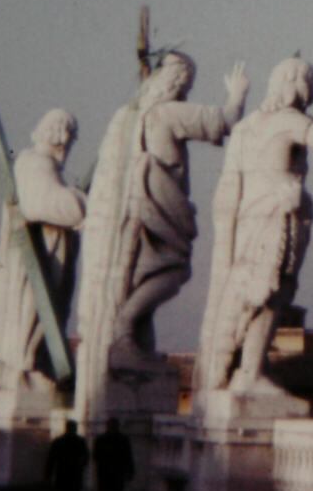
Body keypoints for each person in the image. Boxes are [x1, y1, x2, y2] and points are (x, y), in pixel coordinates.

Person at [76, 51, 248, 417]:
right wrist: (238, 94)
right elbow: (225, 121)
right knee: (174, 268)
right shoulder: (169, 112)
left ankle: (129, 335)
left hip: (126, 212)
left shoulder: (124, 118)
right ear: (176, 82)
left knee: (142, 273)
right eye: (186, 84)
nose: (186, 90)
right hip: (156, 201)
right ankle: (123, 330)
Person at [197, 57, 313, 394]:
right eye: (310, 90)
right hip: (279, 216)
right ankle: (251, 371)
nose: (308, 99)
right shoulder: (289, 121)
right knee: (274, 291)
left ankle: (240, 368)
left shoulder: (245, 127)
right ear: (300, 86)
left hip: (246, 221)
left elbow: (227, 191)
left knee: (249, 293)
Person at [0, 108, 85, 396]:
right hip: (36, 259)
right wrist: (82, 204)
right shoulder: (36, 163)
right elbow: (40, 203)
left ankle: (36, 366)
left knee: (46, 315)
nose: (70, 145)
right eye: (70, 137)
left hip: (48, 254)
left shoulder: (44, 165)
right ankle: (25, 371)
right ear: (60, 135)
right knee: (31, 312)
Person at [44, 419, 90, 491]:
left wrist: (48, 475)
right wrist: (82, 465)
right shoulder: (80, 441)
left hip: (63, 474)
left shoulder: (59, 441)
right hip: (74, 474)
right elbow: (85, 457)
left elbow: (51, 459)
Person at [93, 417, 135, 491]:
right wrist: (129, 471)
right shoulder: (121, 440)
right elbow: (127, 456)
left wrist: (129, 470)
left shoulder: (102, 439)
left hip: (109, 471)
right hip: (113, 471)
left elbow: (96, 456)